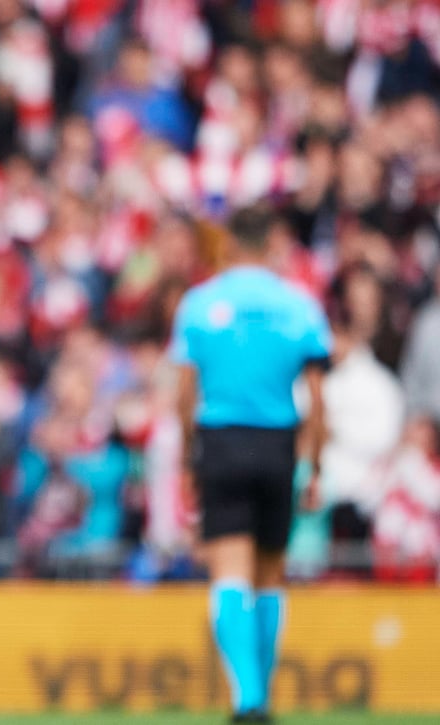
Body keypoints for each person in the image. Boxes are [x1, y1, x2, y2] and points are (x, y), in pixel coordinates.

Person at [171, 204, 331, 724]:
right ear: (271, 244)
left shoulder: (200, 304)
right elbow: (317, 399)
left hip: (221, 441)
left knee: (229, 572)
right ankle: (260, 693)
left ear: (231, 244)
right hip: (277, 444)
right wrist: (315, 466)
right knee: (268, 575)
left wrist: (188, 458)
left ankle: (248, 697)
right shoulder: (300, 305)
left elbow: (185, 394)